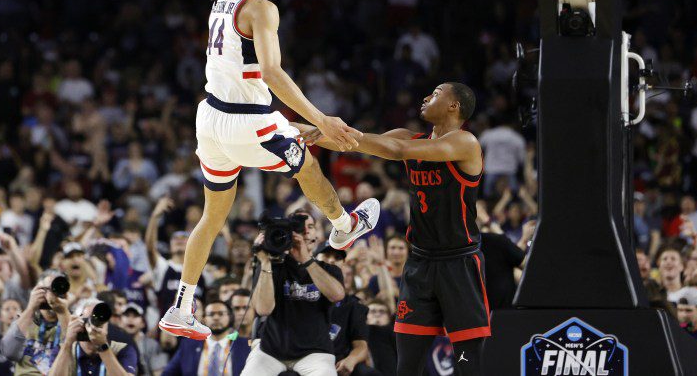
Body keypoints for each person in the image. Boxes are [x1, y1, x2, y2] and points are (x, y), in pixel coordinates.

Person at [159, 0, 379, 340]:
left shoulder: (221, 3)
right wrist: (321, 119)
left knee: (212, 216)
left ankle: (181, 306)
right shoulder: (261, 9)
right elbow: (274, 73)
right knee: (309, 164)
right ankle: (343, 226)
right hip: (249, 122)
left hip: (210, 119)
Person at [305, 82, 489, 375]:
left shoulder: (465, 142)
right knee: (407, 366)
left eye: (437, 93)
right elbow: (352, 142)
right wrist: (291, 129)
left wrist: (331, 129)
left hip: (458, 262)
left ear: (455, 106)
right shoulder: (410, 136)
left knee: (467, 365)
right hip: (419, 263)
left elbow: (398, 150)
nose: (427, 96)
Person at [240, 213, 345, 375]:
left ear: (317, 235)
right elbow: (263, 309)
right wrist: (265, 262)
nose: (305, 232)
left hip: (315, 352)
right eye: (297, 228)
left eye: (310, 227)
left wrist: (305, 260)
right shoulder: (271, 265)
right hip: (271, 350)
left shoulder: (330, 270)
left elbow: (337, 295)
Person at [0, 271, 71, 375]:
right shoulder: (25, 319)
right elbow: (9, 352)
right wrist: (31, 308)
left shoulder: (72, 320)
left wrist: (63, 312)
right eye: (47, 289)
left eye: (56, 289)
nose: (51, 295)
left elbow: (74, 354)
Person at [47, 299, 138, 376]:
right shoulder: (61, 349)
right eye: (88, 320)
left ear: (107, 326)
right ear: (77, 321)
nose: (93, 326)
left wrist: (102, 347)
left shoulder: (123, 350)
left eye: (100, 322)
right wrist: (68, 343)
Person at [161, 301, 249, 376]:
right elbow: (168, 373)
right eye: (211, 314)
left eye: (221, 314)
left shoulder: (245, 346)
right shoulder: (188, 345)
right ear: (204, 319)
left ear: (230, 318)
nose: (216, 318)